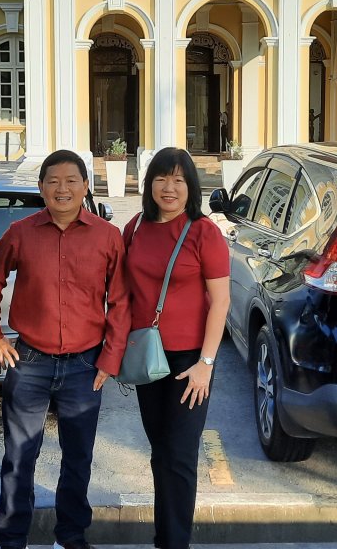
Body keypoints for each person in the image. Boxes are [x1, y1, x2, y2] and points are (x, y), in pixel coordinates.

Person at [0, 149, 131, 549]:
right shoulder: (21, 232)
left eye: (71, 181)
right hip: (29, 361)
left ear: (86, 186)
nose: (62, 188)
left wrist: (111, 357)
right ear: (41, 188)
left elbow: (121, 299)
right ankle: (12, 539)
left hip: (86, 364)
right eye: (53, 181)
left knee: (77, 459)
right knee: (19, 457)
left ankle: (71, 536)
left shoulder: (108, 236)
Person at [120, 148, 230, 549]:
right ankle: (163, 537)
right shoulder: (134, 227)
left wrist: (206, 362)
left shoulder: (204, 232)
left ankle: (174, 542)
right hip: (148, 356)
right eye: (162, 179)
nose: (170, 188)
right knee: (160, 450)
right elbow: (120, 291)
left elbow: (220, 302)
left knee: (180, 456)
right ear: (149, 184)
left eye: (179, 180)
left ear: (191, 188)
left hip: (190, 362)